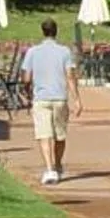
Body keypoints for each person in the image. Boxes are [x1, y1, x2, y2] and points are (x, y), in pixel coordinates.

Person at [21, 17, 79, 186]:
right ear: (56, 32)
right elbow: (70, 76)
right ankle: (58, 164)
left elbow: (26, 77)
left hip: (41, 98)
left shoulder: (32, 52)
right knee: (60, 135)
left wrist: (27, 92)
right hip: (60, 97)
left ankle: (49, 169)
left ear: (43, 31)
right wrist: (77, 99)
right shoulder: (65, 52)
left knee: (44, 135)